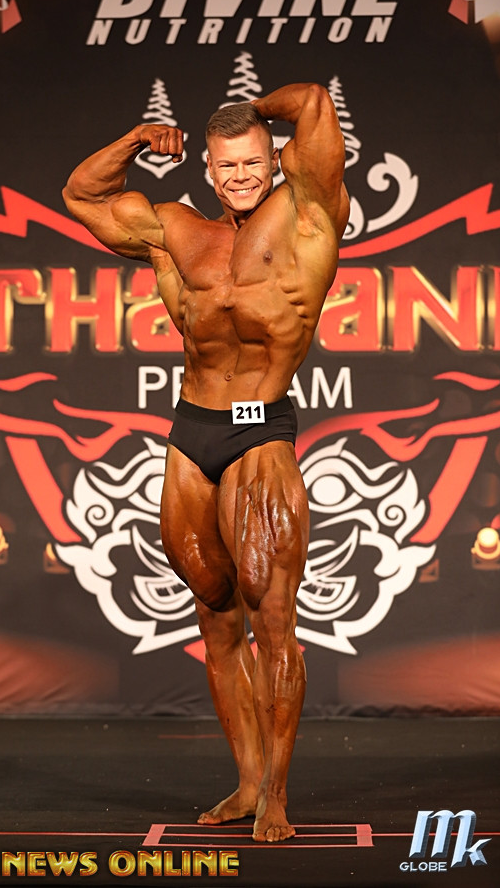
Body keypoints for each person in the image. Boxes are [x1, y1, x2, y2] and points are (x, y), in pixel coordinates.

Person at [63, 83, 349, 843]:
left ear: (273, 160)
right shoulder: (176, 230)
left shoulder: (310, 214)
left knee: (272, 617)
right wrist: (134, 139)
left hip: (260, 433)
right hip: (190, 434)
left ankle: (277, 795)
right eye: (228, 166)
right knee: (216, 613)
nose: (241, 176)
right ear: (211, 170)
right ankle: (247, 782)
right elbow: (81, 195)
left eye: (253, 162)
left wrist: (259, 110)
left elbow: (315, 104)